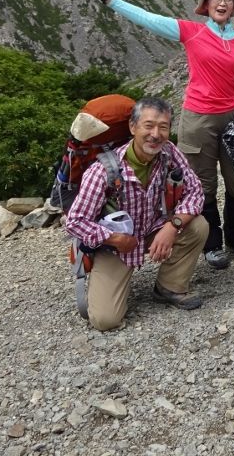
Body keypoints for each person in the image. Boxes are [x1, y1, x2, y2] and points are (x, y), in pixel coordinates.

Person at [91, 0, 234, 270]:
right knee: (203, 184)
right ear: (205, 5)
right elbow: (149, 19)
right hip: (198, 117)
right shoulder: (191, 31)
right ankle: (212, 244)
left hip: (233, 118)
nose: (222, 3)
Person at [65, 98, 209, 330]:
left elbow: (196, 192)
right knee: (105, 321)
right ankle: (111, 278)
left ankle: (169, 287)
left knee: (197, 226)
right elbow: (75, 221)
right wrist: (113, 239)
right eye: (148, 125)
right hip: (116, 244)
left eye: (163, 127)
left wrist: (172, 227)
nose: (156, 134)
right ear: (133, 127)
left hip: (153, 229)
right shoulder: (104, 170)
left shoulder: (169, 153)